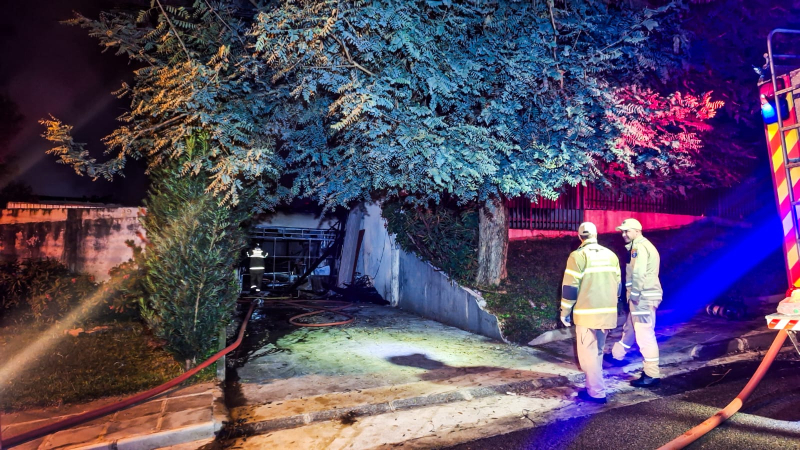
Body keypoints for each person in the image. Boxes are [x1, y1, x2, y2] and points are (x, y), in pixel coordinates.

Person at [560, 222, 621, 404]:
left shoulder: (578, 256)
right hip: (608, 314)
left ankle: (596, 392)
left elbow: (570, 287)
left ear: (580, 237)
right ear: (596, 235)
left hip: (587, 314)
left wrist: (565, 311)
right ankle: (595, 387)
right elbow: (617, 287)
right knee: (598, 352)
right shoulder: (611, 255)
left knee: (588, 355)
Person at [605, 218, 663, 388]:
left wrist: (635, 295)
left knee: (645, 335)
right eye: (622, 231)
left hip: (642, 298)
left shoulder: (639, 247)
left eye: (627, 231)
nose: (623, 234)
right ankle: (617, 355)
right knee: (630, 327)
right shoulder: (642, 245)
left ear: (637, 231)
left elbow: (638, 273)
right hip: (642, 297)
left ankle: (651, 374)